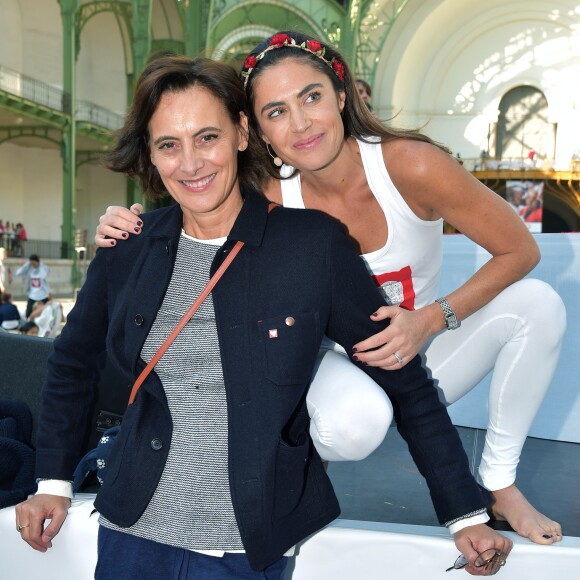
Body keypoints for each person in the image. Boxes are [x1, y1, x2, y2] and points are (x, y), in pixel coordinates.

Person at [17, 55, 511, 579]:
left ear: (242, 133)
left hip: (245, 549)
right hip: (132, 534)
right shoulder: (130, 246)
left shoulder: (312, 246)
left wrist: (466, 513)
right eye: (169, 145)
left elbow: (406, 384)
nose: (190, 164)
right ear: (152, 156)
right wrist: (52, 483)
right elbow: (72, 363)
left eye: (207, 137)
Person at [96, 31, 566, 547]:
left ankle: (499, 482)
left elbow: (521, 249)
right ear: (255, 131)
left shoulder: (411, 165)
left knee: (538, 305)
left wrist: (431, 319)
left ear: (343, 96)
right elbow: (191, 208)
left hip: (419, 355)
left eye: (311, 97)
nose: (300, 124)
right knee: (356, 420)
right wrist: (127, 224)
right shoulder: (269, 194)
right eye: (275, 111)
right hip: (325, 368)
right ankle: (288, 472)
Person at [15, 254, 50, 318]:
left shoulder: (44, 268)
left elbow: (43, 276)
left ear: (37, 262)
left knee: (45, 314)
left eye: (34, 263)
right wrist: (26, 265)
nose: (32, 265)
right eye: (31, 264)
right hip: (32, 295)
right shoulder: (29, 269)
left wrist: (40, 265)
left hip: (43, 295)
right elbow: (18, 273)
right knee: (28, 314)